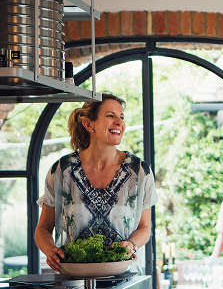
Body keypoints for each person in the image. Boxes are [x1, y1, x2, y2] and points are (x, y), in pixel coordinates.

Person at [35, 93, 157, 271]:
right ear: (88, 124)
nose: (119, 122)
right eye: (110, 116)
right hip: (74, 280)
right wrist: (50, 251)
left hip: (123, 278)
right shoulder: (63, 170)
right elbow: (43, 228)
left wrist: (131, 244)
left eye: (121, 117)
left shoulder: (139, 171)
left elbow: (145, 227)